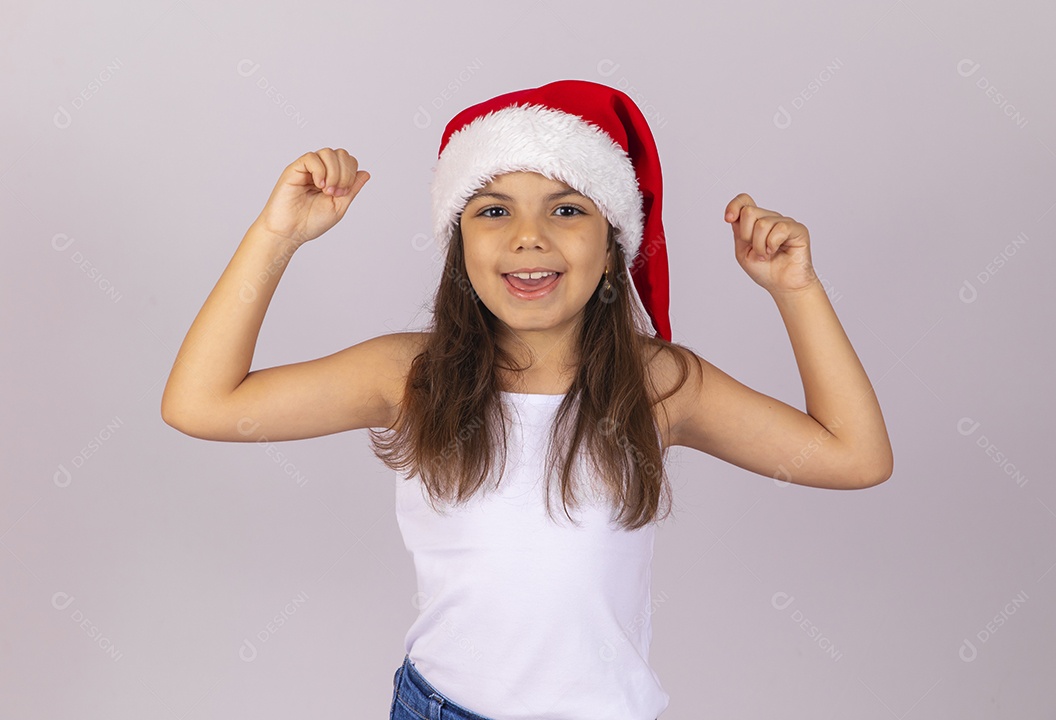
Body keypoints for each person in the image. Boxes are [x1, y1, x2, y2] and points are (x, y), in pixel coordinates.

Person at [161, 79, 892, 720]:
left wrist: (797, 292)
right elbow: (201, 403)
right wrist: (277, 236)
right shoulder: (407, 376)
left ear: (613, 245)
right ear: (459, 245)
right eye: (493, 211)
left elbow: (854, 456)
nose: (529, 238)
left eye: (568, 210)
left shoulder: (658, 382)